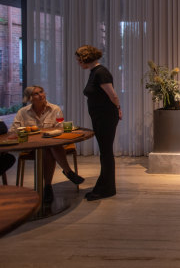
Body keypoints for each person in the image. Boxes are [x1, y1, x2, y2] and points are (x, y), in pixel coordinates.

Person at [11, 86, 85, 202]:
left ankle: (48, 187)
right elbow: (14, 130)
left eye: (41, 92)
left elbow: (60, 128)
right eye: (36, 94)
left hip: (52, 144)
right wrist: (26, 130)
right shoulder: (23, 112)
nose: (41, 95)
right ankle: (67, 172)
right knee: (49, 148)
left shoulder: (54, 109)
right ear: (30, 98)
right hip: (32, 146)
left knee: (49, 147)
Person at [75, 45, 122, 201]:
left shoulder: (101, 73)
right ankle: (105, 187)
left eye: (78, 59)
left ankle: (106, 189)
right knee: (105, 152)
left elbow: (113, 95)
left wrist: (118, 109)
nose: (78, 63)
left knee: (106, 152)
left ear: (84, 59)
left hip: (106, 117)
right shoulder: (95, 72)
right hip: (100, 117)